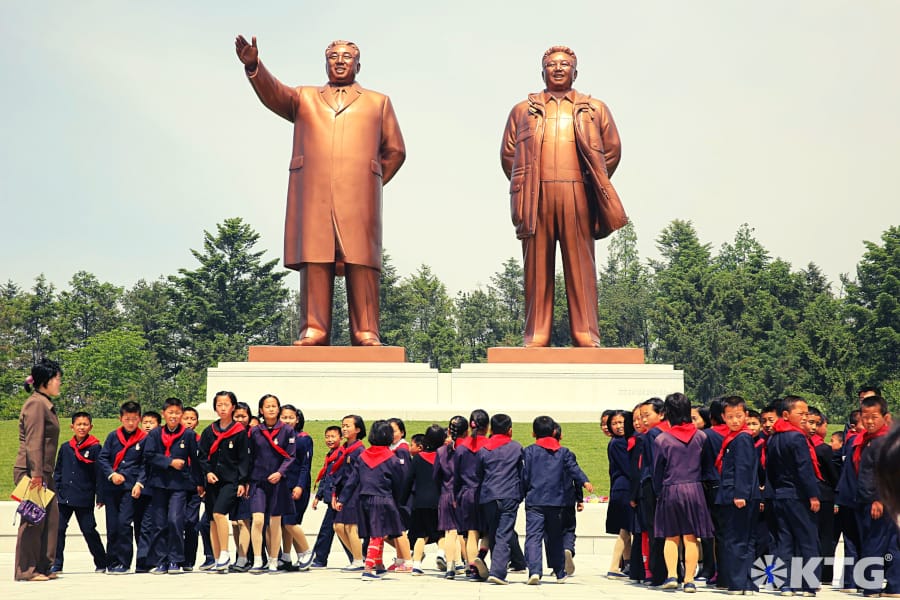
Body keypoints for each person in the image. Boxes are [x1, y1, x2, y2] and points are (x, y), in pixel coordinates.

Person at [235, 35, 406, 346]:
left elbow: (395, 151)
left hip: (360, 197)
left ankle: (366, 331)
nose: (339, 61)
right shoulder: (305, 98)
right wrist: (254, 66)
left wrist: (372, 183)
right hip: (313, 194)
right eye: (333, 57)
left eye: (346, 57)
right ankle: (314, 329)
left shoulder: (377, 102)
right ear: (325, 63)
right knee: (315, 260)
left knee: (361, 262)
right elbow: (275, 94)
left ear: (358, 64)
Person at [500, 45, 626, 347]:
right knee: (536, 267)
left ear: (575, 71)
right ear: (542, 71)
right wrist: (528, 183)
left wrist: (589, 180)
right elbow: (508, 154)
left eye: (565, 64)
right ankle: (536, 333)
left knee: (580, 265)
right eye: (552, 64)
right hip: (537, 194)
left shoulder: (593, 108)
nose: (558, 69)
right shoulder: (523, 110)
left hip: (577, 193)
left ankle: (585, 332)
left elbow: (612, 150)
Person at [652, 392, 714, 593]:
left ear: (668, 412)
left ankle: (671, 575)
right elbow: (707, 466)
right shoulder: (701, 437)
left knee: (671, 537)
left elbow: (657, 471)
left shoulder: (662, 439)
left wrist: (658, 491)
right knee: (691, 537)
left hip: (670, 489)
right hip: (694, 489)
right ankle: (689, 580)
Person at [522, 415, 592, 584]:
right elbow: (574, 469)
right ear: (554, 431)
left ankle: (534, 571)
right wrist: (585, 481)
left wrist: (522, 493)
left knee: (533, 536)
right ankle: (560, 572)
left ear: (533, 433)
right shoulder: (563, 452)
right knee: (555, 537)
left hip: (535, 500)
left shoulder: (529, 451)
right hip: (557, 501)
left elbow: (524, 476)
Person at [336, 420, 407, 580]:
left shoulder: (362, 456)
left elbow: (352, 481)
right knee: (377, 534)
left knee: (377, 532)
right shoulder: (392, 458)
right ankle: (368, 568)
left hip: (364, 500)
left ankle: (379, 565)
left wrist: (342, 499)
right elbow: (399, 483)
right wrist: (399, 501)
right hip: (383, 499)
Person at [766, 395, 821, 596]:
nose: (805, 418)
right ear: (787, 415)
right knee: (808, 539)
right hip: (798, 496)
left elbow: (769, 469)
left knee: (784, 542)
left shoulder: (773, 437)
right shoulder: (797, 437)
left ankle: (786, 584)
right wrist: (813, 496)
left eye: (807, 413)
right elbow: (804, 469)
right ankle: (809, 585)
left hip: (780, 496)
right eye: (801, 414)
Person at [14, 359, 62, 582]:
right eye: (57, 379)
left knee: (50, 519)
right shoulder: (36, 404)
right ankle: (27, 570)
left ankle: (43, 566)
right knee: (33, 520)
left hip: (43, 471)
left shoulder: (44, 402)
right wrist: (36, 475)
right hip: (33, 471)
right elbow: (34, 442)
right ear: (46, 381)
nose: (59, 383)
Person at [143, 397, 203, 574]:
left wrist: (199, 483)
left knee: (175, 520)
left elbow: (196, 460)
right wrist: (169, 462)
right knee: (159, 523)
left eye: (177, 413)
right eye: (171, 412)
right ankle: (161, 560)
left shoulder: (188, 435)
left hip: (179, 485)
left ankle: (176, 559)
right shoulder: (155, 434)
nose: (174, 416)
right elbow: (149, 455)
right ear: (164, 414)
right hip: (159, 484)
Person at [198, 391, 249, 572]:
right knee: (212, 518)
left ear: (233, 407)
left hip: (231, 481)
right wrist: (208, 472)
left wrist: (242, 482)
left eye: (226, 404)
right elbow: (202, 456)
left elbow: (244, 459)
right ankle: (217, 557)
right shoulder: (208, 431)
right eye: (219, 404)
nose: (222, 408)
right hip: (212, 481)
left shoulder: (239, 432)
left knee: (220, 513)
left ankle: (226, 553)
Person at [51, 411, 107, 574]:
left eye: (85, 424)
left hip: (84, 496)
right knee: (59, 529)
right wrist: (57, 488)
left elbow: (100, 474)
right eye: (78, 424)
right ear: (72, 426)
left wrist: (100, 496)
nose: (82, 427)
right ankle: (57, 563)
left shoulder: (95, 447)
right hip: (64, 497)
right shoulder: (66, 447)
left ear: (91, 426)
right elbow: (59, 470)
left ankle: (102, 562)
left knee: (89, 530)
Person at [714, 396, 759, 595]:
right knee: (746, 539)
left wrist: (740, 493)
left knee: (735, 539)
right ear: (723, 417)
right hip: (742, 495)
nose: (734, 420)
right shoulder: (737, 437)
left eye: (738, 416)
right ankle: (746, 582)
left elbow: (743, 468)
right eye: (730, 416)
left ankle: (737, 582)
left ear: (746, 415)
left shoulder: (741, 438)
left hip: (737, 496)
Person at [854, 395, 899, 597]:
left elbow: (881, 474)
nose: (869, 422)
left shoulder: (882, 442)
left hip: (878, 502)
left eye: (874, 417)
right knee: (891, 545)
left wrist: (878, 499)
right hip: (882, 501)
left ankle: (870, 585)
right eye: (865, 417)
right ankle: (895, 586)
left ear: (886, 417)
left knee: (873, 543)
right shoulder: (870, 440)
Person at [247, 394, 296, 573]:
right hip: (258, 481)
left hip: (278, 482)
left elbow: (291, 456)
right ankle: (259, 559)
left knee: (275, 522)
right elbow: (249, 456)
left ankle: (274, 559)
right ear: (261, 410)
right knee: (258, 520)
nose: (271, 409)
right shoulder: (255, 431)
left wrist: (280, 472)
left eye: (274, 406)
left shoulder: (287, 431)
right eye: (267, 406)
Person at [97, 400, 146, 574]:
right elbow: (103, 458)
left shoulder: (144, 438)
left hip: (130, 487)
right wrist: (112, 474)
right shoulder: (112, 436)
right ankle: (112, 561)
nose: (131, 422)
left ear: (139, 418)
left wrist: (139, 483)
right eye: (127, 419)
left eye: (134, 419)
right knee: (112, 526)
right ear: (121, 418)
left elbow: (145, 464)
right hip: (112, 487)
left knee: (124, 524)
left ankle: (124, 562)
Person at [477, 413, 524, 585]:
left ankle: (496, 567)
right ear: (510, 430)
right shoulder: (517, 448)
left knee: (494, 532)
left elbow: (478, 473)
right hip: (510, 494)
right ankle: (498, 571)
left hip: (489, 495)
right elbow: (522, 473)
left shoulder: (484, 449)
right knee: (504, 533)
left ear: (490, 428)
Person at [401, 424, 444, 576]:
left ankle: (417, 565)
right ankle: (441, 553)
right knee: (441, 533)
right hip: (438, 501)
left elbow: (408, 480)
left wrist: (402, 500)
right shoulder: (443, 457)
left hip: (419, 502)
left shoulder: (418, 458)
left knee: (420, 534)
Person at [277, 404, 314, 571]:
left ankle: (306, 551)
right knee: (285, 523)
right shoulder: (277, 437)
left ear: (297, 419)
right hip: (282, 485)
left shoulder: (304, 439)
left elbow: (305, 466)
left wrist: (300, 486)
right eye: (284, 417)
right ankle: (287, 556)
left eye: (290, 417)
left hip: (297, 486)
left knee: (291, 522)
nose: (287, 421)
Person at [310, 425, 351, 568]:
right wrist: (318, 496)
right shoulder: (331, 455)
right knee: (337, 530)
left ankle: (320, 559)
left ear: (340, 438)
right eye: (327, 436)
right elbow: (326, 477)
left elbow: (339, 478)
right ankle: (355, 557)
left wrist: (337, 496)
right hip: (330, 499)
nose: (330, 439)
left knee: (330, 530)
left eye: (333, 436)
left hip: (337, 500)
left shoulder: (341, 455)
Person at [332, 415, 367, 570]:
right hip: (344, 492)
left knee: (350, 526)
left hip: (355, 492)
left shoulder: (359, 450)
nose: (344, 429)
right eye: (343, 425)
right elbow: (338, 473)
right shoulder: (344, 449)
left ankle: (358, 560)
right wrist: (334, 493)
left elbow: (354, 477)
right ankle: (358, 556)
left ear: (358, 429)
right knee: (338, 526)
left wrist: (343, 497)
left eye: (348, 426)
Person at [434, 416, 467, 578]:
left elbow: (436, 476)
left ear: (448, 431)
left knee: (449, 532)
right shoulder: (467, 449)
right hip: (464, 494)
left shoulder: (440, 451)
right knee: (467, 532)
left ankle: (450, 566)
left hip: (446, 493)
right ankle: (468, 563)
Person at [606, 409, 634, 578]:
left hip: (620, 487)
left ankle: (627, 563)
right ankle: (614, 566)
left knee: (626, 530)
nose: (618, 426)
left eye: (621, 422)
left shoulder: (617, 441)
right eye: (614, 423)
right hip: (625, 488)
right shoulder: (619, 443)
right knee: (625, 530)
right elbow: (628, 468)